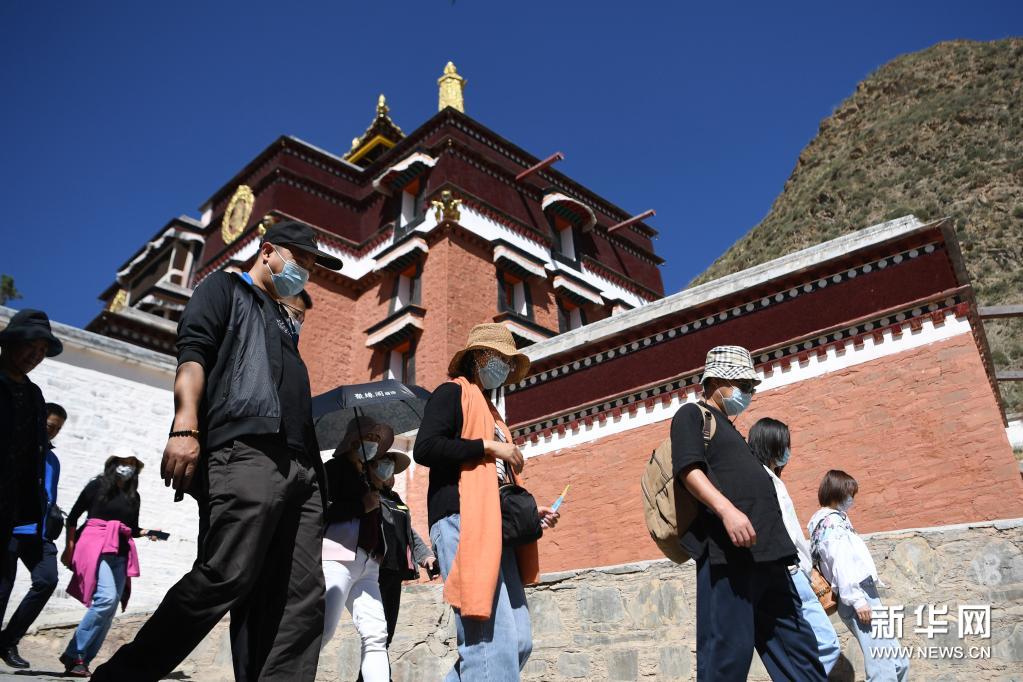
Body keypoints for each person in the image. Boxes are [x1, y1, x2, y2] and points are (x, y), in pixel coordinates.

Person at [93, 221, 343, 682]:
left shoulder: (284, 320)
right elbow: (192, 357)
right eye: (301, 259)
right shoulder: (225, 290)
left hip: (303, 469)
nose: (306, 270)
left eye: (312, 264)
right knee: (226, 573)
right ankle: (123, 675)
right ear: (267, 252)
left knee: (298, 596)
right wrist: (185, 427)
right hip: (246, 454)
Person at [414, 323, 560, 681]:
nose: (505, 368)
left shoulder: (493, 414)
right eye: (501, 359)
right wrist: (489, 446)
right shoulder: (452, 393)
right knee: (489, 642)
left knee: (518, 641)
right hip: (461, 518)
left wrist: (528, 512)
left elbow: (495, 480)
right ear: (478, 356)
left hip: (494, 524)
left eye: (510, 363)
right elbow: (426, 447)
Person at [671, 346, 825, 681]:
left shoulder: (732, 430)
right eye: (743, 385)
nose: (749, 393)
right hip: (729, 556)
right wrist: (727, 510)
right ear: (716, 382)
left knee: (800, 653)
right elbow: (688, 469)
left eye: (751, 387)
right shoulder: (692, 415)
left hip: (772, 557)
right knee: (727, 658)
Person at [748, 417, 841, 675]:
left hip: (795, 573)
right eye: (784, 444)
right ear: (770, 444)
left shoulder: (771, 479)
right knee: (825, 644)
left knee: (806, 648)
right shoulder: (764, 481)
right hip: (791, 572)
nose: (788, 451)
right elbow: (786, 531)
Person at [60, 456, 159, 677]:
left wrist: (148, 532)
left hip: (120, 552)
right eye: (124, 462)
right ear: (113, 464)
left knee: (111, 606)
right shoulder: (96, 486)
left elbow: (131, 528)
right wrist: (69, 547)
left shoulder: (134, 496)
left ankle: (81, 660)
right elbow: (73, 517)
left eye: (132, 464)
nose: (127, 467)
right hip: (95, 546)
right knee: (105, 599)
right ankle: (74, 653)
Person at [809, 470, 909, 681]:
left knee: (898, 662)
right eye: (849, 494)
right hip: (857, 595)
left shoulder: (828, 522)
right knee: (883, 668)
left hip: (861, 593)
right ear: (837, 492)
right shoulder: (832, 523)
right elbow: (842, 563)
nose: (851, 499)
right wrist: (857, 600)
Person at [321, 418, 394, 682]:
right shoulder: (333, 469)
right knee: (323, 629)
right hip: (338, 556)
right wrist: (360, 506)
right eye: (370, 437)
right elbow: (320, 511)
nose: (374, 443)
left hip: (368, 564)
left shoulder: (366, 476)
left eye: (377, 439)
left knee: (376, 635)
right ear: (353, 440)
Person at [0, 402, 66, 669]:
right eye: (50, 425)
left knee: (47, 580)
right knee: (3, 588)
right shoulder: (16, 447)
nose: (52, 432)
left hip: (39, 535)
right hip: (12, 529)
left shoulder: (53, 460)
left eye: (57, 429)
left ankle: (7, 640)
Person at [0, 310, 61, 558]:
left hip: (8, 509)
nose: (35, 356)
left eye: (42, 351)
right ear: (11, 341)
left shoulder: (34, 395)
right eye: (30, 346)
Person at [375, 443, 437, 649]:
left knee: (387, 632)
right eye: (384, 463)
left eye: (391, 465)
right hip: (376, 571)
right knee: (375, 630)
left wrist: (426, 556)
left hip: (396, 571)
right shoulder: (368, 495)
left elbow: (408, 532)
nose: (389, 469)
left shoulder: (396, 499)